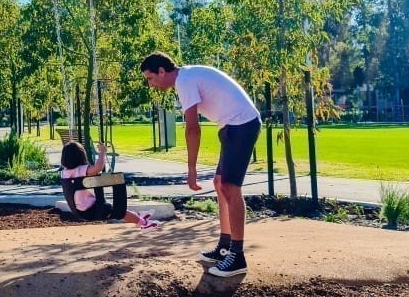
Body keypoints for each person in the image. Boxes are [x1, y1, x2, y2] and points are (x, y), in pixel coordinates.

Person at [138, 52, 260, 277]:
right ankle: (225, 246)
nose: (151, 84)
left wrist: (192, 169)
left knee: (230, 188)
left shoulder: (184, 81)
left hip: (242, 124)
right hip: (233, 125)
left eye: (150, 78)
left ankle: (237, 256)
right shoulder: (186, 77)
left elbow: (193, 128)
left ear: (162, 71)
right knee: (220, 182)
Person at [58, 140, 158, 229]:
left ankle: (139, 215)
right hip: (93, 209)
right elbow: (98, 167)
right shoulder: (81, 170)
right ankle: (144, 223)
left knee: (115, 209)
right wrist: (102, 152)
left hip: (80, 210)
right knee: (119, 212)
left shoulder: (64, 173)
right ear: (81, 155)